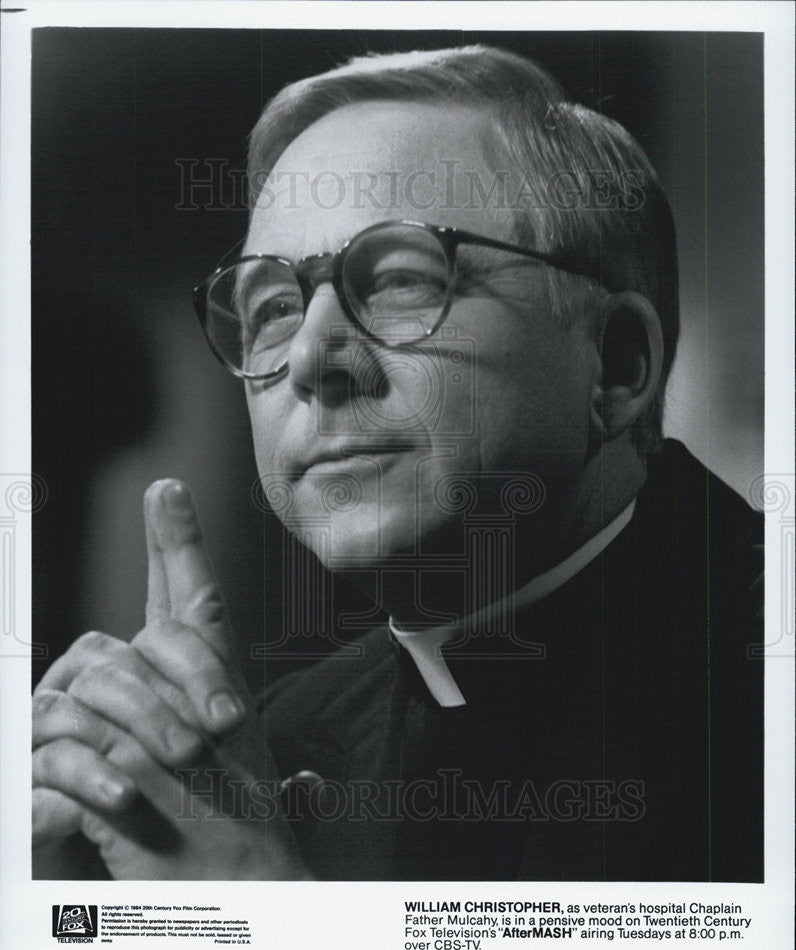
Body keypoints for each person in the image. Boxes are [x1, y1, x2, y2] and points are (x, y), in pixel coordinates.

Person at [32, 45, 762, 881]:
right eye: (272, 308)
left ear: (618, 364)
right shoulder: (264, 748)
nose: (310, 356)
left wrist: (264, 922)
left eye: (402, 281)